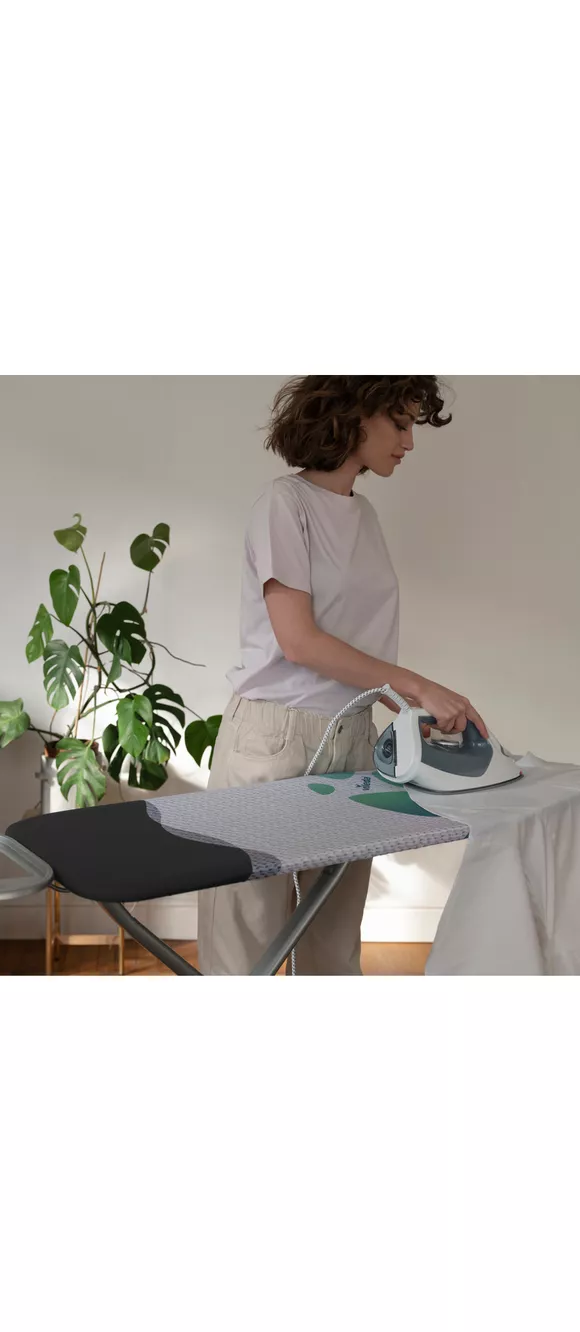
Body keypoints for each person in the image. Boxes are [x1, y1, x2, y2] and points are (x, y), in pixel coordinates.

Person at [197, 376, 488, 977]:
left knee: (333, 948)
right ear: (353, 416)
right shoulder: (283, 504)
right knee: (243, 954)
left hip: (353, 737)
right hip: (273, 741)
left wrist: (412, 714)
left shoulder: (366, 516)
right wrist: (418, 685)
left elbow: (357, 650)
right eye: (399, 424)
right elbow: (299, 641)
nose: (409, 442)